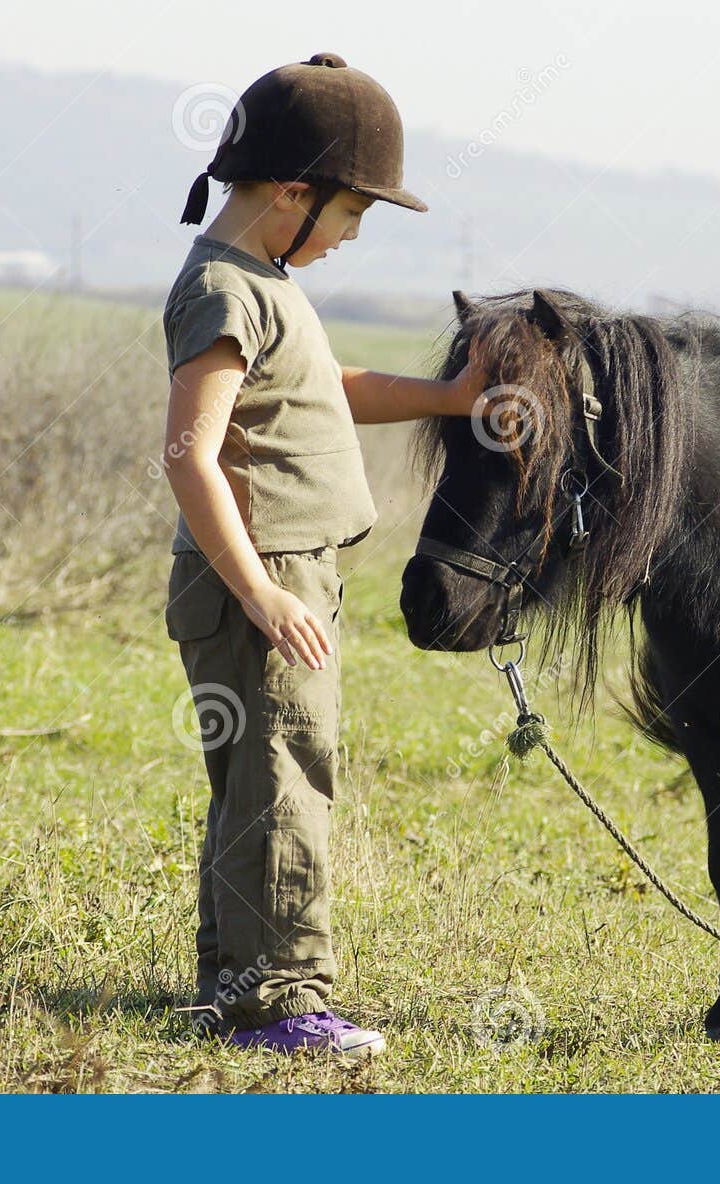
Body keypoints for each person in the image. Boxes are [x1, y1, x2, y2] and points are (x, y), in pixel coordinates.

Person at [162, 52, 483, 1058]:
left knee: (256, 786)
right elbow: (188, 453)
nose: (347, 237)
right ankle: (282, 1003)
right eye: (350, 214)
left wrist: (446, 399)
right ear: (292, 192)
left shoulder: (263, 278)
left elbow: (322, 386)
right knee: (285, 779)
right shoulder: (221, 290)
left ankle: (230, 985)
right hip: (266, 578)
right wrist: (257, 588)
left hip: (284, 575)